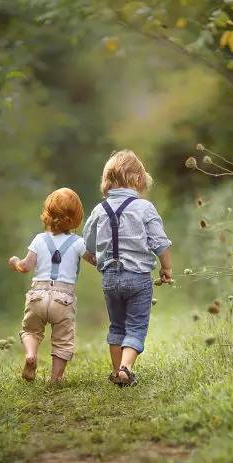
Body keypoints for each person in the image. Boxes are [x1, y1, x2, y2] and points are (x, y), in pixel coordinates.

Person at [82, 150, 173, 386]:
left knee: (117, 326)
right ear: (138, 180)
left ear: (107, 181)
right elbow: (160, 243)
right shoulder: (144, 208)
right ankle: (126, 367)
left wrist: (95, 257)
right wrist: (166, 268)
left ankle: (117, 373)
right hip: (138, 279)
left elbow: (88, 244)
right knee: (136, 325)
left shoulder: (99, 210)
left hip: (110, 278)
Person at [9, 187, 95, 383]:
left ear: (47, 214)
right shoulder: (78, 242)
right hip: (63, 299)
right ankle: (55, 378)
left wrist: (14, 262)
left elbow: (25, 266)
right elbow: (95, 260)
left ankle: (31, 355)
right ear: (76, 218)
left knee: (31, 331)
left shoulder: (39, 240)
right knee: (63, 341)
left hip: (37, 295)